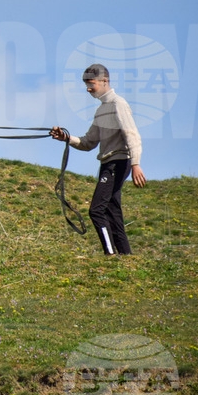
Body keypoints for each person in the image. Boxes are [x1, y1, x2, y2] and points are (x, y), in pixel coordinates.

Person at [50, 64, 146, 255]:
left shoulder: (118, 104)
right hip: (107, 163)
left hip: (118, 162)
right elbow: (88, 142)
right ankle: (126, 256)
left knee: (96, 210)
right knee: (112, 210)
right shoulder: (101, 110)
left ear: (104, 81)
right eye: (86, 84)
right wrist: (66, 138)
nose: (88, 88)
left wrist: (135, 164)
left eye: (91, 83)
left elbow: (132, 135)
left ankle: (110, 255)